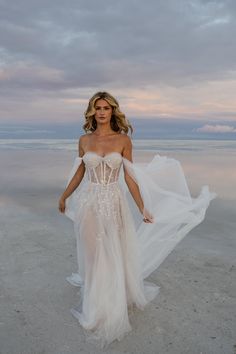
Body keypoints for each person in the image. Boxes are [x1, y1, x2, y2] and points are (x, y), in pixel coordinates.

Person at [58, 91, 216, 348]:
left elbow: (130, 177)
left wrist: (143, 207)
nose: (101, 112)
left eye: (106, 108)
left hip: (114, 204)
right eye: (97, 107)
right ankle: (96, 304)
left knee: (112, 254)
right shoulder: (84, 140)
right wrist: (64, 196)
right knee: (93, 253)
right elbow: (79, 171)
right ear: (91, 111)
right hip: (89, 203)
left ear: (112, 112)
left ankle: (109, 307)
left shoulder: (123, 140)